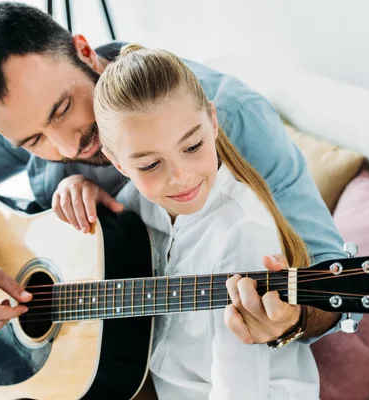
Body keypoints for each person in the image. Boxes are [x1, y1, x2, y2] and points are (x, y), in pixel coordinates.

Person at [0, 2, 351, 343]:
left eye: (63, 109)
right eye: (34, 142)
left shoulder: (226, 118)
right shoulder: (24, 119)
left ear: (84, 51)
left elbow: (332, 279)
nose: (68, 145)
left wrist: (291, 323)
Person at [90, 43, 318, 399]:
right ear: (117, 164)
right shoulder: (133, 207)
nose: (180, 176)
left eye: (192, 146)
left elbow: (240, 387)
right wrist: (77, 186)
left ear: (212, 121)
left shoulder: (242, 230)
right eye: (150, 165)